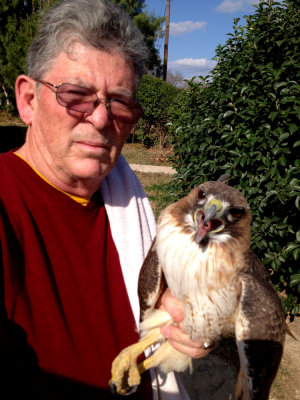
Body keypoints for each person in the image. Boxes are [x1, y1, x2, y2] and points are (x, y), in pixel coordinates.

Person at [0, 0, 213, 398]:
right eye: (76, 94)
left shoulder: (130, 207)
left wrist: (191, 322)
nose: (100, 119)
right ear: (29, 100)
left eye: (119, 102)